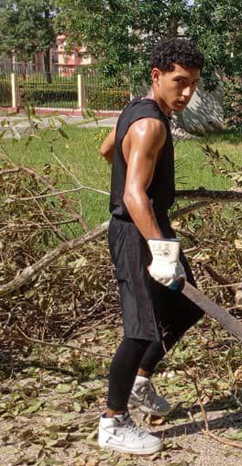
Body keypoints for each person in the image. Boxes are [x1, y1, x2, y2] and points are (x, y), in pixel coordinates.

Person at [96, 38, 205, 454]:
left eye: (194, 83)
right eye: (180, 82)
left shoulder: (136, 110)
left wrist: (130, 167)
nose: (188, 93)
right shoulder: (151, 125)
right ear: (157, 76)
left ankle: (141, 380)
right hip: (135, 233)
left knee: (186, 306)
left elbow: (107, 149)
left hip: (153, 225)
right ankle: (113, 422)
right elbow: (133, 197)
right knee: (140, 329)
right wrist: (159, 249)